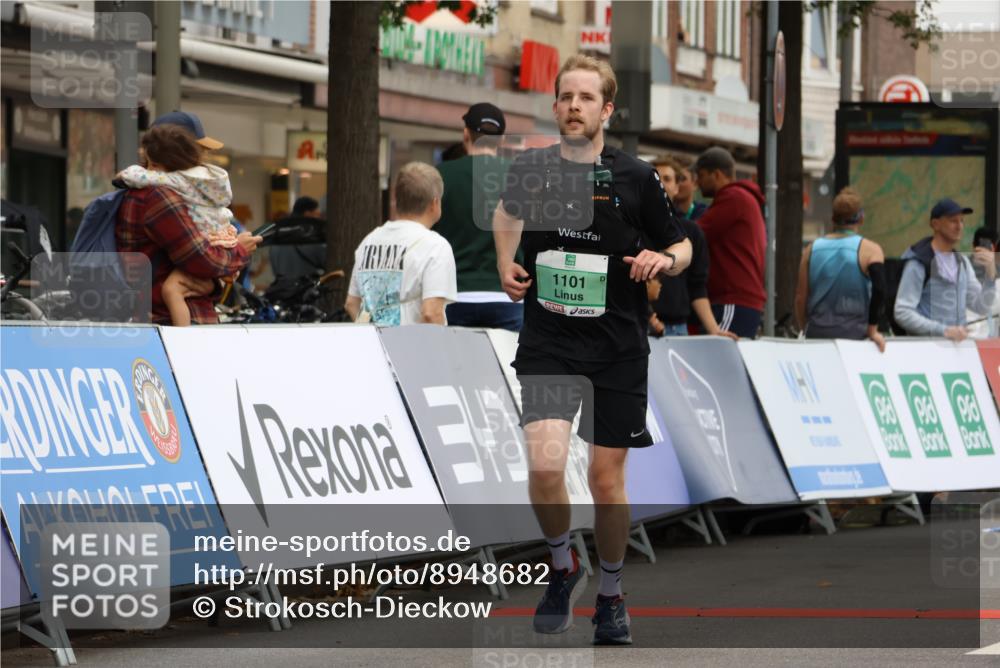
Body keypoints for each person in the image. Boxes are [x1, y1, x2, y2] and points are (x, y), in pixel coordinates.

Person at [493, 54, 691, 646]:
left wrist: (665, 259)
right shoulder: (531, 170)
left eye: (586, 97)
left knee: (606, 482)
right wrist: (506, 261)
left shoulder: (635, 176)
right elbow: (506, 215)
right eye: (565, 96)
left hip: (618, 347)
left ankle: (610, 594)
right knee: (546, 467)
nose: (574, 105)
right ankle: (562, 566)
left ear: (606, 109)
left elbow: (681, 246)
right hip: (551, 341)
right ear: (555, 106)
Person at [116, 112, 258, 325]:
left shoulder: (158, 190)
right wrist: (240, 250)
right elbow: (200, 258)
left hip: (163, 319)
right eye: (198, 150)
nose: (201, 158)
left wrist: (213, 285)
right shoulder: (159, 196)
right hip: (170, 324)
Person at [434, 102, 523, 331]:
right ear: (502, 140)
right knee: (511, 367)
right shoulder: (521, 176)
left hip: (454, 295)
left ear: (466, 134)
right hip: (509, 296)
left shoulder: (440, 176)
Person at [345, 162, 457, 326]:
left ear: (396, 199)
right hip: (412, 348)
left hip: (372, 346)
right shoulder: (435, 246)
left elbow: (351, 303)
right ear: (434, 203)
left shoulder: (368, 241)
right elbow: (431, 314)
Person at [650, 155, 736, 339]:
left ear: (676, 187)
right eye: (656, 178)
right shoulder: (632, 227)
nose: (661, 183)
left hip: (678, 330)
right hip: (640, 327)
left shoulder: (692, 231)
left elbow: (697, 287)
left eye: (667, 178)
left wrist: (715, 330)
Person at [794, 187, 887, 351]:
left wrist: (805, 328)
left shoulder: (811, 249)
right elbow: (880, 289)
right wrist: (872, 329)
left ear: (832, 219)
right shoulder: (871, 250)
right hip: (855, 336)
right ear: (861, 218)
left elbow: (801, 298)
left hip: (817, 334)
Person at [894, 198, 996, 341]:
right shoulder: (919, 262)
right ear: (936, 224)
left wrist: (990, 275)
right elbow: (902, 312)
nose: (959, 226)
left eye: (961, 221)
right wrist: (944, 331)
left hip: (957, 352)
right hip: (926, 353)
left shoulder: (962, 262)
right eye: (953, 221)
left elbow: (981, 307)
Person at [694, 146, 766, 338]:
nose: (698, 183)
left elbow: (696, 233)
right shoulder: (746, 199)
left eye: (701, 176)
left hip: (732, 299)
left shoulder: (732, 198)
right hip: (744, 300)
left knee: (716, 359)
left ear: (716, 174)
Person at [268, 196, 327, 283]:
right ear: (308, 214)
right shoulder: (312, 238)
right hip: (305, 292)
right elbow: (326, 262)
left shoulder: (278, 235)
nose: (319, 218)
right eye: (317, 214)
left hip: (280, 292)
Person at [665, 154, 707, 223]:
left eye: (682, 178)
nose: (676, 183)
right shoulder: (658, 212)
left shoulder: (705, 216)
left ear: (695, 183)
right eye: (671, 178)